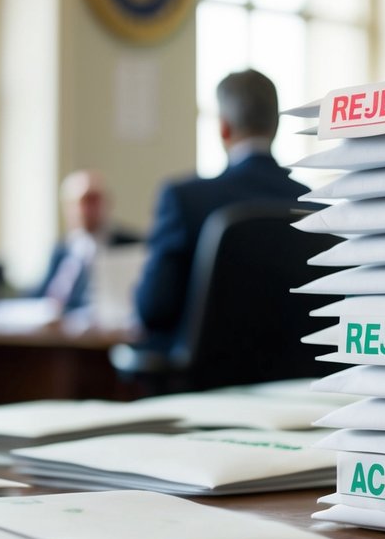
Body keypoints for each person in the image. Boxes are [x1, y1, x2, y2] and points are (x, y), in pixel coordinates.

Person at [133, 68, 308, 349]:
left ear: (223, 127)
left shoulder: (184, 200)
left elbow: (153, 310)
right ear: (275, 126)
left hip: (201, 383)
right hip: (295, 381)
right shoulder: (312, 203)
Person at [35, 169, 141, 312]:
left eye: (92, 201)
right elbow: (43, 294)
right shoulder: (62, 248)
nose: (84, 210)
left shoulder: (132, 245)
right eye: (77, 202)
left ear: (107, 203)